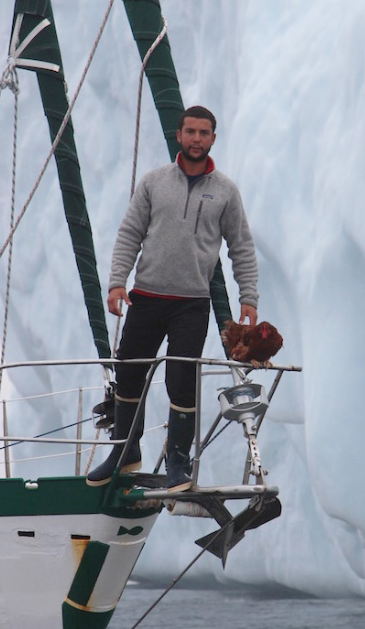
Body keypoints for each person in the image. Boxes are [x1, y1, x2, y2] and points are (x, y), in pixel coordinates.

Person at [86, 105, 258, 491]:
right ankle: (125, 452)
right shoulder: (153, 182)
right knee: (129, 374)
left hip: (191, 304)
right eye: (190, 132)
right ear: (178, 136)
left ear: (213, 138)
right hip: (146, 297)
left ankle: (179, 464)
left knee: (182, 380)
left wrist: (248, 296)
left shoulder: (226, 192)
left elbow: (241, 247)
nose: (197, 139)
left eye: (204, 133)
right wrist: (117, 282)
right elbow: (130, 233)